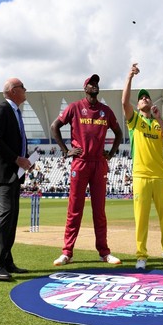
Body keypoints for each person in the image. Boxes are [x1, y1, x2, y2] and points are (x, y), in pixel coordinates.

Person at [50, 74, 123, 266]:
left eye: (97, 83)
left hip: (99, 164)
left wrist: (111, 153)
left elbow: (119, 133)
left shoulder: (105, 111)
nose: (95, 85)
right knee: (75, 210)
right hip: (80, 163)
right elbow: (54, 126)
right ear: (85, 88)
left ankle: (104, 252)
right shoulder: (75, 107)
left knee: (99, 210)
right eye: (91, 83)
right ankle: (67, 252)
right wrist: (66, 151)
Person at [122, 63, 163, 270]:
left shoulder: (157, 123)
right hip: (141, 176)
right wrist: (129, 77)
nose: (144, 98)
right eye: (141, 98)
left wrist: (159, 118)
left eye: (147, 97)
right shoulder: (134, 121)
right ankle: (141, 256)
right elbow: (124, 101)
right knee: (141, 219)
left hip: (160, 176)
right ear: (137, 106)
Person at [0, 78, 32, 281]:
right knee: (6, 214)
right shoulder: (1, 109)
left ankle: (6, 260)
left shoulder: (15, 112)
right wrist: (16, 158)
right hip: (2, 172)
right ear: (13, 91)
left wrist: (25, 160)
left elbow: (17, 139)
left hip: (14, 172)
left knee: (12, 216)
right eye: (22, 87)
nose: (25, 90)